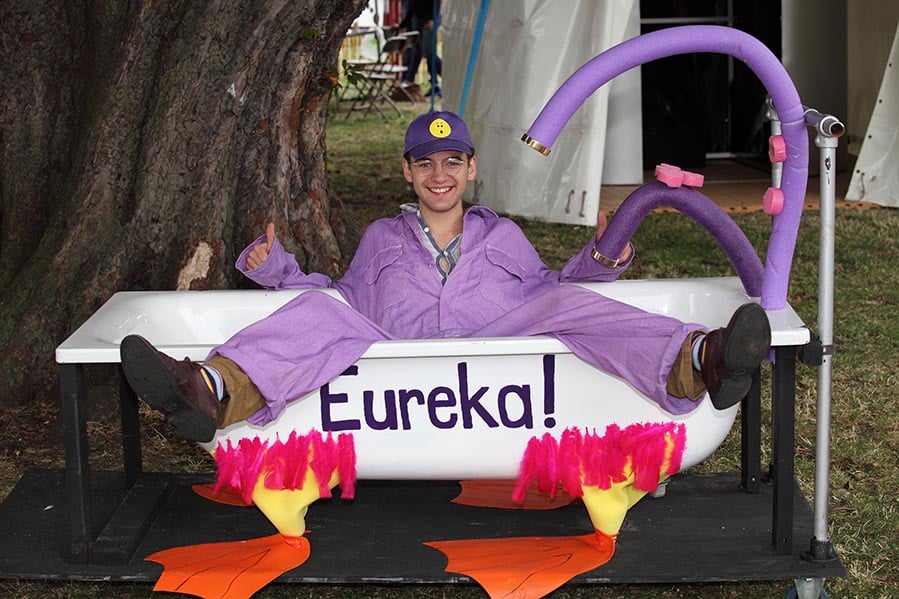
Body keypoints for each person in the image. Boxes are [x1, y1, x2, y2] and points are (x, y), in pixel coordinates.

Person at [120, 111, 771, 443]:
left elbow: (555, 291)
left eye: (451, 161)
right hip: (397, 361)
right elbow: (338, 303)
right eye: (425, 162)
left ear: (470, 168)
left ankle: (700, 359)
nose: (439, 174)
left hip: (493, 351)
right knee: (323, 317)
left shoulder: (504, 235)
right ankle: (209, 388)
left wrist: (601, 254)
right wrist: (280, 271)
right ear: (407, 171)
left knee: (570, 302)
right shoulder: (379, 239)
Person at [397, 0, 442, 97]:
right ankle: (433, 83)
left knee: (429, 52)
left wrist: (432, 18)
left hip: (429, 19)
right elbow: (411, 9)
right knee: (419, 51)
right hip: (418, 20)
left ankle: (446, 76)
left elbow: (437, 2)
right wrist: (401, 25)